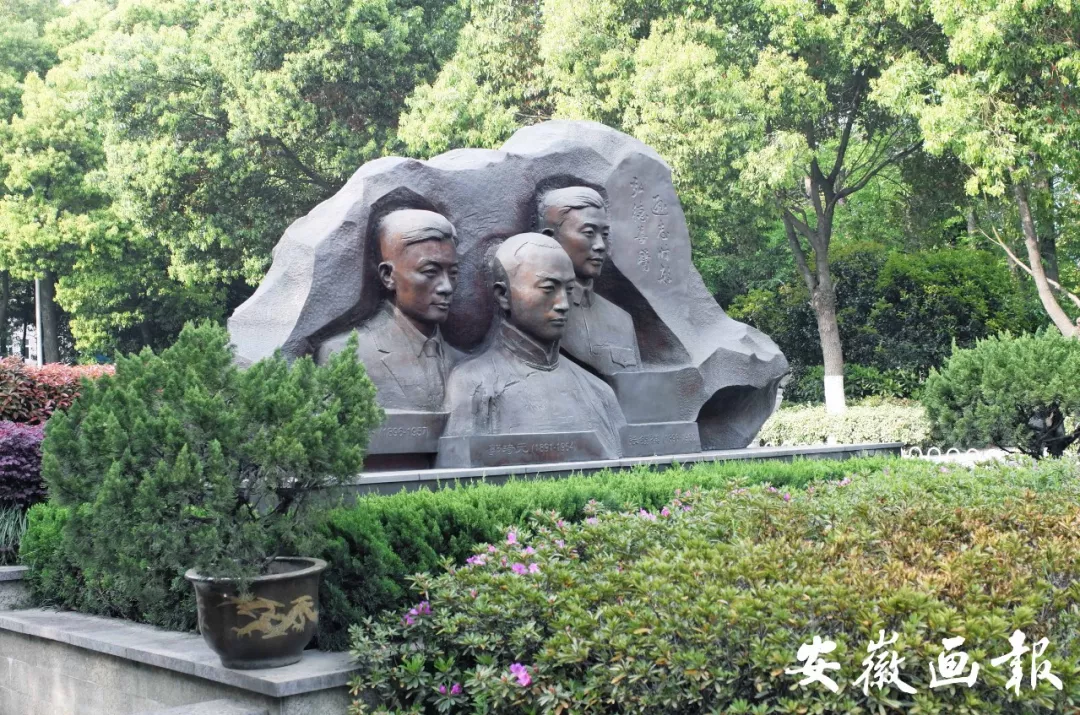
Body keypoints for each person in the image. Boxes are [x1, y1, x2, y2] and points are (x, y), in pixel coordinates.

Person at [440, 233, 626, 458]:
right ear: (503, 295)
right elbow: (459, 471)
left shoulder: (599, 392)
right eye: (548, 288)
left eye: (568, 290)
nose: (563, 304)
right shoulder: (473, 385)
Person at [316, 209, 463, 411]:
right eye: (430, 272)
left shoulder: (464, 363)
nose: (446, 287)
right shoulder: (344, 355)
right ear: (388, 276)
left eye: (453, 273)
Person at [537, 186, 641, 375]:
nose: (600, 245)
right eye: (589, 232)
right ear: (551, 239)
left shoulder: (622, 321)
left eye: (605, 235)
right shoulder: (533, 317)